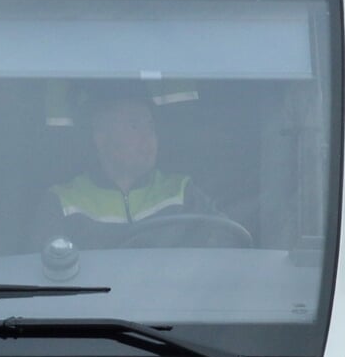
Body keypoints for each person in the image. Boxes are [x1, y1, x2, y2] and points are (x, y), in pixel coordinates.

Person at [39, 84, 225, 249]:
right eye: (134, 126)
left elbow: (227, 247)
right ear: (100, 138)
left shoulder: (182, 193)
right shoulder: (62, 203)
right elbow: (43, 278)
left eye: (150, 127)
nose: (148, 138)